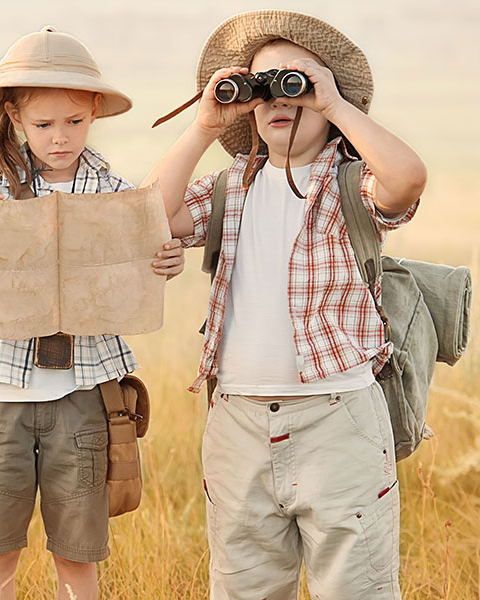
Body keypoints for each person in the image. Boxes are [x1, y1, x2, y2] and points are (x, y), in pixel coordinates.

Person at [143, 10, 426, 599]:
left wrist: (333, 104)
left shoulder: (351, 183)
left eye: (296, 82)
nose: (280, 96)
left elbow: (407, 179)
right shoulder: (230, 186)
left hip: (338, 416)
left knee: (357, 588)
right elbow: (150, 218)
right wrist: (202, 126)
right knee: (243, 588)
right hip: (239, 422)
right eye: (262, 83)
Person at [0, 26, 184, 600]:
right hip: (0, 394)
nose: (60, 137)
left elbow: (140, 280)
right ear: (15, 121)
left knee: (78, 556)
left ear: (94, 111)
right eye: (43, 125)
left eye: (73, 122)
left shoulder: (122, 197)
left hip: (86, 392)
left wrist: (163, 259)